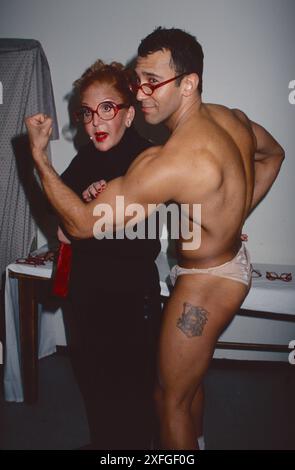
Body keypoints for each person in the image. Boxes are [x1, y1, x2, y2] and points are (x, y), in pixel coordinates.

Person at [25, 27, 285, 450]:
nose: (141, 92)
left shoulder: (171, 161)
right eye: (137, 80)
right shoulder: (229, 117)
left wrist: (38, 156)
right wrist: (231, 216)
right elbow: (274, 154)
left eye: (152, 82)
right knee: (190, 385)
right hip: (223, 264)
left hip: (207, 282)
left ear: (189, 83)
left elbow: (81, 226)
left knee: (169, 400)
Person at [50, 60, 162, 449]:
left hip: (130, 298)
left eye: (107, 109)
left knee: (135, 392)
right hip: (86, 294)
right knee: (93, 381)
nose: (95, 120)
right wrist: (78, 210)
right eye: (87, 111)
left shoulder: (147, 159)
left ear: (129, 115)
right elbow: (62, 226)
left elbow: (149, 227)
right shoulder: (84, 158)